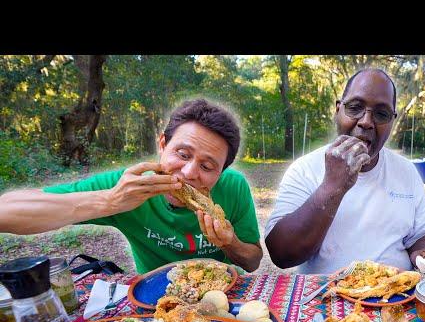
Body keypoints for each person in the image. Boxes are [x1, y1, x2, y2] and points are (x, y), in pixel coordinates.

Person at [0, 99, 263, 274]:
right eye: (182, 154)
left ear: (221, 172)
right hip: (154, 303)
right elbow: (6, 211)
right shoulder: (129, 186)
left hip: (222, 296)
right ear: (162, 144)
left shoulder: (233, 188)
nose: (189, 172)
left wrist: (230, 243)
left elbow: (252, 262)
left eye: (207, 167)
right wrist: (110, 201)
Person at [265, 68, 425, 282]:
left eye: (381, 114)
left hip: (393, 293)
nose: (366, 121)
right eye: (355, 108)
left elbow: (422, 236)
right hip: (327, 297)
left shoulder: (406, 171)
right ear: (338, 110)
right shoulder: (305, 169)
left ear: (392, 121)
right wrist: (332, 186)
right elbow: (282, 255)